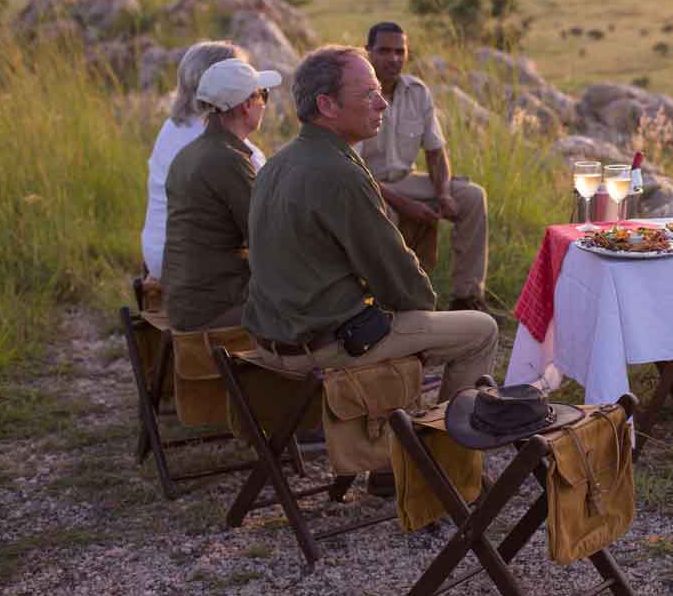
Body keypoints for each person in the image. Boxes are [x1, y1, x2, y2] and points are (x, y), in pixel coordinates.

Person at [244, 44, 498, 402]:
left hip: (273, 340)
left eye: (379, 92)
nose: (383, 103)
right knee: (481, 331)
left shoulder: (277, 163)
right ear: (327, 106)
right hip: (321, 348)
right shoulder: (340, 173)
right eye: (368, 94)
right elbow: (401, 282)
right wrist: (424, 310)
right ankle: (447, 448)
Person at [358, 22, 491, 313]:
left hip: (407, 180)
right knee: (386, 213)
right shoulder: (357, 95)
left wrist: (443, 193)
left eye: (399, 51)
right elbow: (353, 167)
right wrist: (404, 204)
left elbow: (435, 150)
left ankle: (466, 297)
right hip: (367, 185)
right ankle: (392, 305)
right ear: (367, 52)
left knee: (471, 196)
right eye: (383, 51)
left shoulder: (417, 92)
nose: (393, 58)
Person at [161, 59, 278, 331]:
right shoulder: (228, 159)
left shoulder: (188, 154)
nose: (264, 104)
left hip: (187, 301)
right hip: (214, 307)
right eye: (264, 96)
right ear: (247, 105)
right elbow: (268, 239)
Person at [141, 41, 266, 280]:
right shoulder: (218, 142)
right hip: (193, 268)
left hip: (159, 254)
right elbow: (262, 216)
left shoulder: (173, 127)